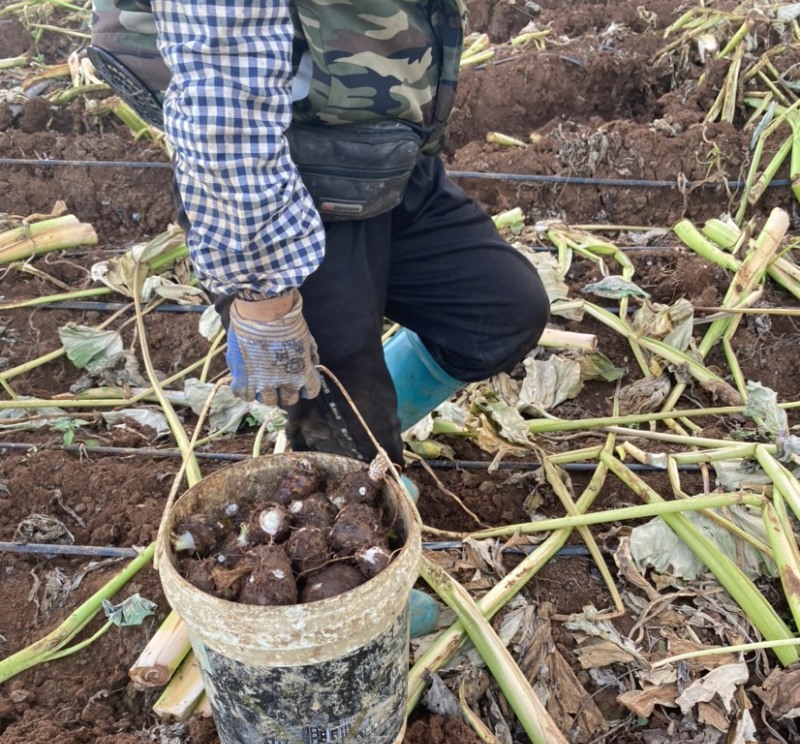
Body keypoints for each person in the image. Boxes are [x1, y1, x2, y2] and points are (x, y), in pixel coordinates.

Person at [89, 0, 550, 633]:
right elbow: (221, 91)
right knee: (337, 391)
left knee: (501, 309)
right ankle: (355, 600)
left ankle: (353, 451)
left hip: (379, 156)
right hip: (280, 179)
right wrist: (262, 290)